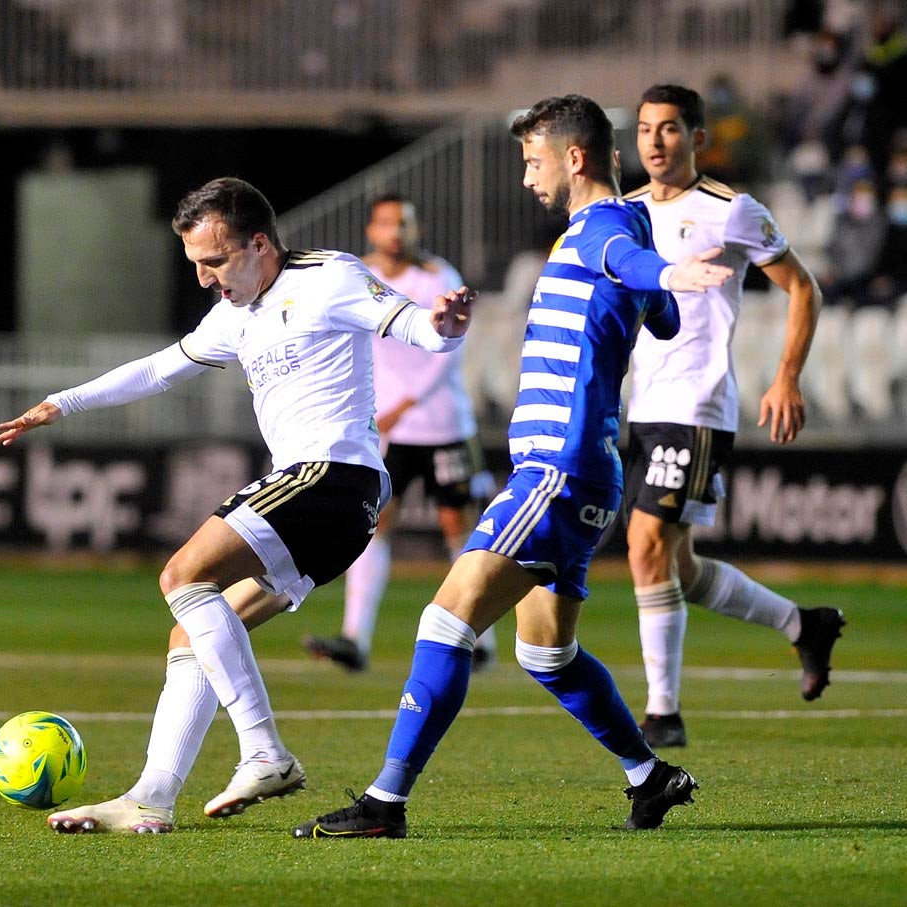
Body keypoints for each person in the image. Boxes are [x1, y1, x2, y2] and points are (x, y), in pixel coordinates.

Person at [293, 94, 733, 840]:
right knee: (544, 649)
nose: (526, 176)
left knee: (446, 615)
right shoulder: (612, 230)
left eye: (533, 161)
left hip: (555, 469)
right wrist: (658, 283)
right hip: (581, 467)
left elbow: (628, 268)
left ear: (574, 158)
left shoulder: (601, 231)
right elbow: (653, 308)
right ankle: (649, 774)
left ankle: (385, 802)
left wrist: (659, 275)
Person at [0, 177, 475, 834]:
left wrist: (442, 325)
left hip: (333, 475)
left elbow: (418, 326)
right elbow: (161, 368)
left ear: (257, 243)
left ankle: (264, 751)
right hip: (323, 499)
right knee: (190, 630)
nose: (204, 278)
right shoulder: (232, 313)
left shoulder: (329, 276)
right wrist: (63, 402)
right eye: (195, 264)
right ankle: (151, 796)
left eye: (213, 261)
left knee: (180, 575)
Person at [625, 84, 842, 750]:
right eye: (642, 129)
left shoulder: (730, 210)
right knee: (678, 570)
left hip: (695, 401)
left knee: (643, 548)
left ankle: (662, 711)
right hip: (641, 403)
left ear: (696, 138)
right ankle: (802, 624)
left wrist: (785, 376)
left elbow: (802, 285)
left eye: (667, 129)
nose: (654, 142)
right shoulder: (621, 213)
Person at [302, 193, 497, 673]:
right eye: (386, 223)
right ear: (371, 230)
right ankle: (354, 638)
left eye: (403, 223)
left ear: (417, 230)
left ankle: (481, 637)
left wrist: (401, 404)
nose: (395, 232)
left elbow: (449, 346)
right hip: (385, 428)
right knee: (374, 526)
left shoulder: (437, 277)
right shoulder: (356, 275)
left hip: (442, 423)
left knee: (460, 529)